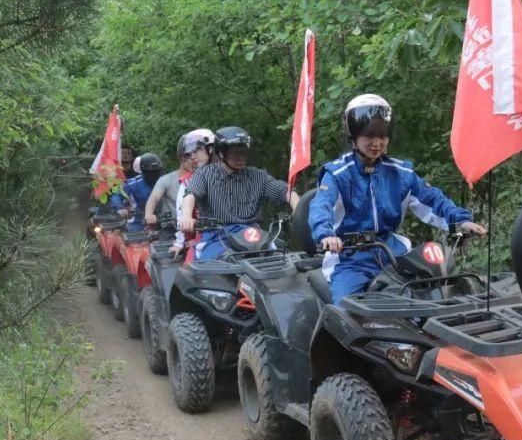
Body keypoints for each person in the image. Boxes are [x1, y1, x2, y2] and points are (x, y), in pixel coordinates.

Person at [309, 94, 487, 305]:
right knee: (346, 313)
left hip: (393, 253)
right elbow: (321, 205)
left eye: (382, 136)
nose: (377, 143)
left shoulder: (401, 173)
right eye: (369, 136)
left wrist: (460, 220)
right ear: (354, 136)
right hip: (350, 259)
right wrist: (326, 234)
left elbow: (432, 199)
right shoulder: (337, 174)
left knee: (433, 293)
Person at [179, 126, 299, 259]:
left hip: (252, 234)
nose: (241, 157)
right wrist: (186, 216)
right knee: (221, 269)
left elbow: (286, 191)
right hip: (217, 236)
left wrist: (298, 211)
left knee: (279, 260)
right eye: (234, 153)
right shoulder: (204, 174)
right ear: (221, 153)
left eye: (244, 152)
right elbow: (191, 194)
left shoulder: (258, 176)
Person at [111, 153, 163, 232]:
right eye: (150, 172)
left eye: (156, 171)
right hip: (139, 221)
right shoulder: (133, 183)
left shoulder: (166, 181)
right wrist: (119, 208)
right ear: (143, 171)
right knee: (132, 234)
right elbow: (117, 194)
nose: (153, 174)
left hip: (165, 220)